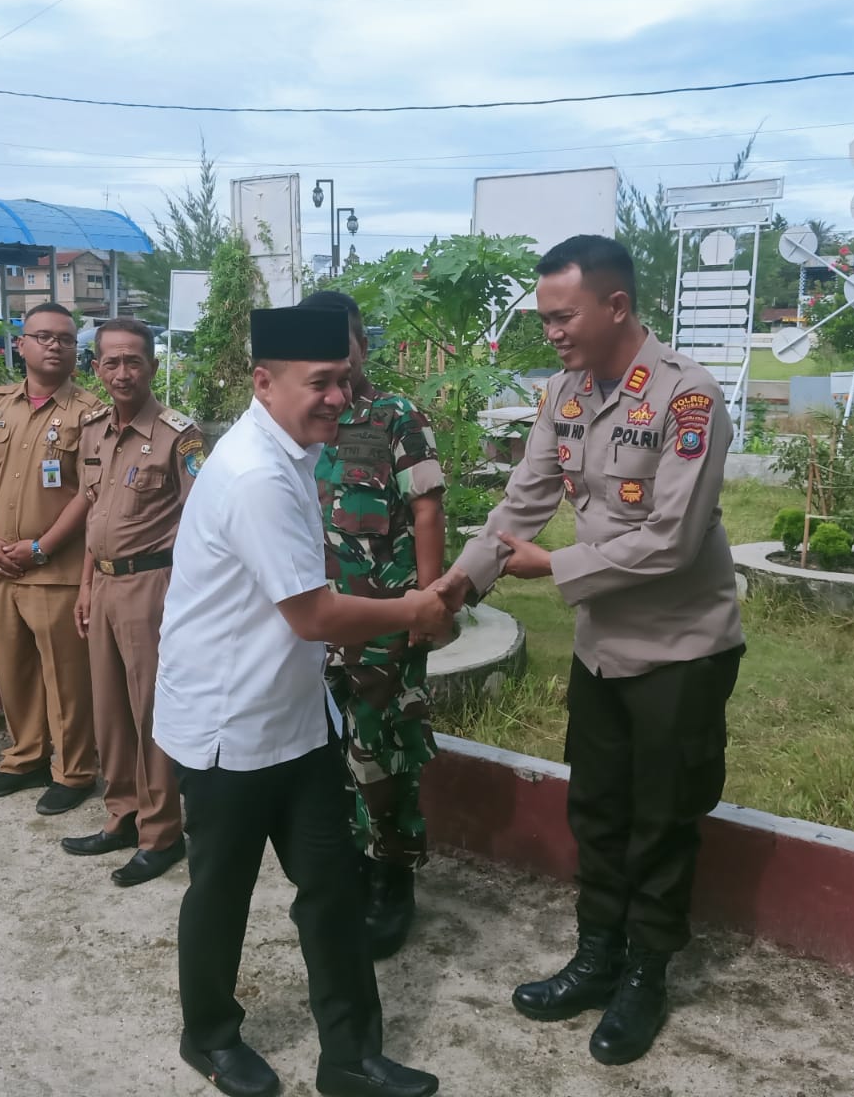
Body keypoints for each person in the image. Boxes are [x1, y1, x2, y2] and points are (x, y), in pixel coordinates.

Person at [434, 234, 745, 1067]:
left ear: (615, 305)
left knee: (661, 819)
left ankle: (647, 973)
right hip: (604, 645)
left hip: (681, 649)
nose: (553, 333)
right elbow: (520, 503)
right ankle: (597, 956)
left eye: (563, 315)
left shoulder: (688, 399)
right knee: (599, 810)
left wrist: (554, 566)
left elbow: (674, 540)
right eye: (544, 319)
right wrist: (458, 588)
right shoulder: (566, 395)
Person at [155, 306, 449, 1097]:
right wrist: (415, 610)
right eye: (319, 382)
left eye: (344, 380)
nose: (337, 397)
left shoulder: (291, 454)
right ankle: (209, 1035)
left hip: (293, 718)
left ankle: (350, 1058)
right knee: (222, 890)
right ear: (264, 381)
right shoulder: (253, 471)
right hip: (229, 725)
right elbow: (314, 614)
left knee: (335, 888)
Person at [300, 289, 445, 959]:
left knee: (384, 756)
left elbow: (426, 512)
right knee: (326, 761)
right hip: (311, 622)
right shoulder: (299, 419)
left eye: (345, 341)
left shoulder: (393, 416)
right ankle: (351, 868)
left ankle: (394, 880)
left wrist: (429, 604)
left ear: (363, 342)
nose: (336, 357)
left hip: (384, 622)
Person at [61, 317, 195, 885]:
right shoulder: (92, 430)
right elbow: (95, 514)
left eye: (133, 360)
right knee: (110, 710)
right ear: (96, 368)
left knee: (150, 712)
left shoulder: (178, 436)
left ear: (152, 366)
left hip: (153, 588)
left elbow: (199, 523)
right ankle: (122, 814)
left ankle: (162, 833)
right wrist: (87, 584)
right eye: (111, 362)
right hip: (106, 585)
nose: (122, 371)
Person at [0, 302, 101, 817]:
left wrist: (42, 546)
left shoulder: (90, 414)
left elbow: (90, 492)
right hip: (0, 567)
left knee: (66, 679)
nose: (54, 345)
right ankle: (25, 757)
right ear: (21, 344)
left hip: (55, 571)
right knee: (12, 670)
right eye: (42, 336)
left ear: (75, 350)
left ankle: (74, 769)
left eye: (65, 338)